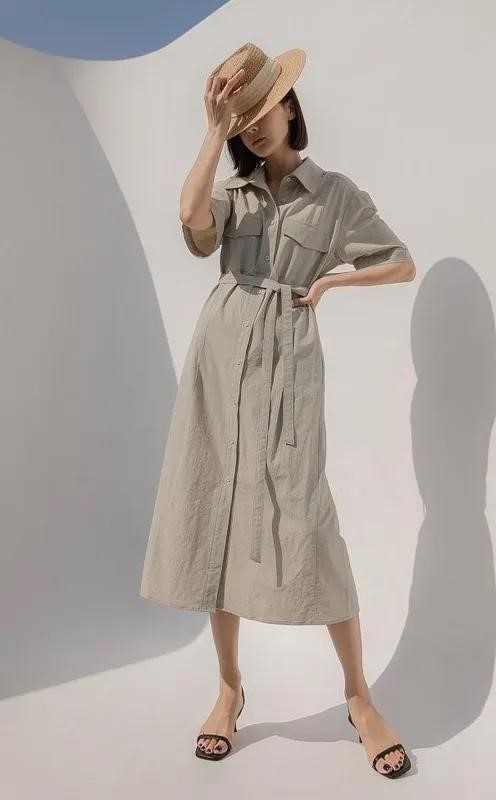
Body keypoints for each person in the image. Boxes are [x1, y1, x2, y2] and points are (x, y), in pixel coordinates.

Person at [139, 42, 416, 778]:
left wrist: (331, 284)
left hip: (289, 362)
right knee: (216, 508)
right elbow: (189, 215)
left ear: (291, 106)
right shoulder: (234, 195)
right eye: (243, 120)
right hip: (219, 355)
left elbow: (400, 261)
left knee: (307, 517)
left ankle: (359, 698)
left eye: (263, 111)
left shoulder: (335, 195)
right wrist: (212, 130)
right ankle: (229, 690)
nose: (254, 127)